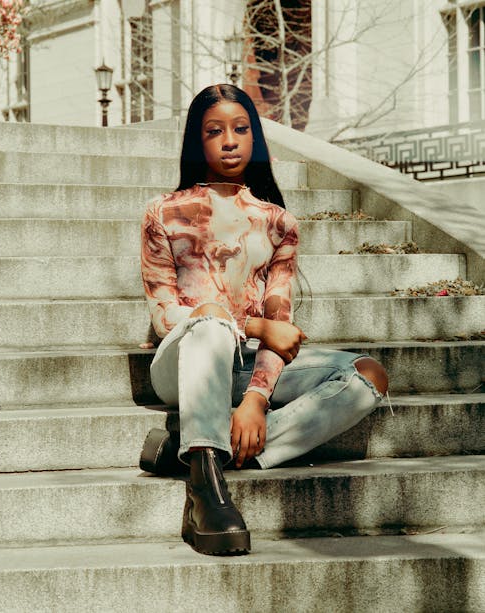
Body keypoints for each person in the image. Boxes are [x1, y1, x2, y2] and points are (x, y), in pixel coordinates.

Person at [139, 83, 388, 557]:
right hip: (182, 364)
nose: (229, 140)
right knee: (209, 322)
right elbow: (165, 314)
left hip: (245, 367)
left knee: (366, 376)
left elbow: (280, 315)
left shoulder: (278, 222)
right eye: (215, 131)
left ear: (254, 136)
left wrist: (255, 400)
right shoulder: (163, 213)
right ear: (198, 141)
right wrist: (251, 326)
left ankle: (194, 452)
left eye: (240, 128)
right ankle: (207, 497)